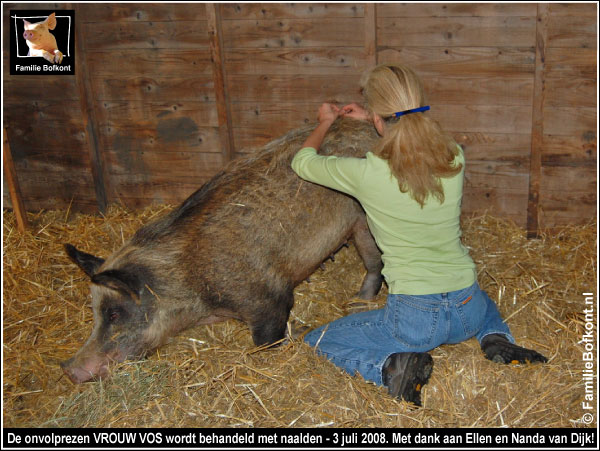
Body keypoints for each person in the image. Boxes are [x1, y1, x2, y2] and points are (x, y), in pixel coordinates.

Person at [291, 64, 547, 406]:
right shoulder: (453, 154)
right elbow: (406, 127)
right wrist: (375, 116)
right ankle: (495, 337)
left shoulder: (366, 172)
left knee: (317, 340)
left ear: (381, 118)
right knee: (481, 299)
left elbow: (303, 161)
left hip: (415, 321)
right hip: (467, 310)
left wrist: (325, 121)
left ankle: (388, 367)